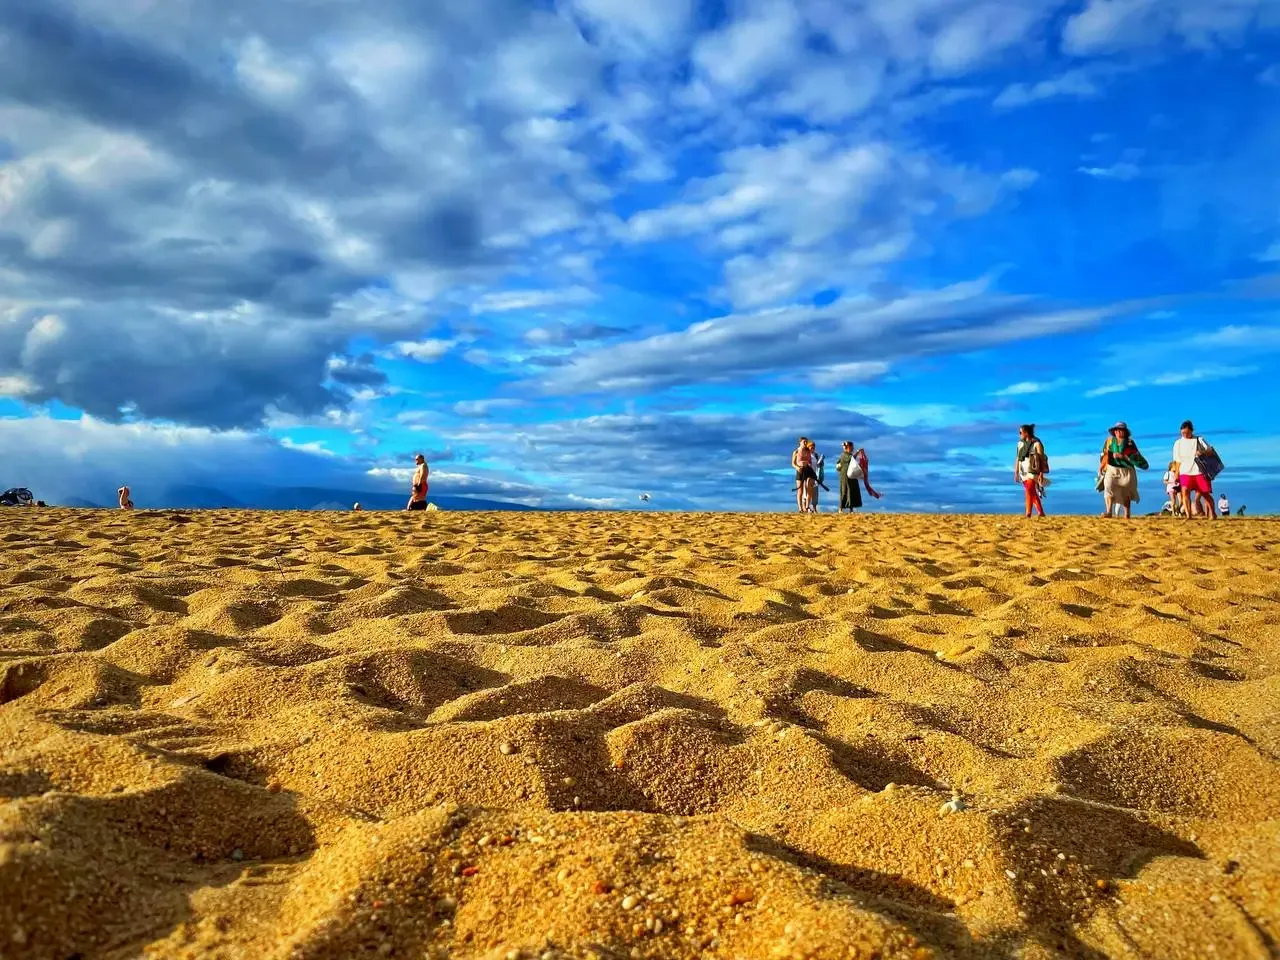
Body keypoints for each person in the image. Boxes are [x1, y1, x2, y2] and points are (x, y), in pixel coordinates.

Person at [1099, 421, 1148, 519]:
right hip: (1112, 468)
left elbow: (1136, 457)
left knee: (1126, 492)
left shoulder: (1130, 443)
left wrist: (1124, 456)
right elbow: (1104, 454)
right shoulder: (1109, 441)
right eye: (1117, 430)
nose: (1119, 432)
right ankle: (1109, 511)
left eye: (1121, 430)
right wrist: (1102, 466)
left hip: (1126, 470)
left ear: (1125, 432)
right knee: (1108, 486)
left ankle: (1127, 514)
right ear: (1114, 431)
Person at [1172, 420, 1216, 520]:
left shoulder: (1199, 439)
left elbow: (1210, 451)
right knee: (1185, 492)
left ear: (1191, 431)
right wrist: (1176, 474)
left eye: (1187, 432)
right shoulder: (1178, 443)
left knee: (1205, 493)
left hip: (1199, 471)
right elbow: (1177, 460)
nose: (1185, 435)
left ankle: (1213, 513)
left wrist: (1202, 452)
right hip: (1185, 471)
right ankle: (1188, 515)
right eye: (1183, 433)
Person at [1014, 424, 1047, 517]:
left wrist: (1041, 474)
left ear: (1026, 433)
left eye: (1020, 432)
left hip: (1033, 470)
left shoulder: (1037, 443)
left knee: (1029, 490)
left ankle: (1028, 513)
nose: (1019, 434)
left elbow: (1042, 459)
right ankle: (1041, 512)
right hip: (1023, 471)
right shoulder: (1020, 444)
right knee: (1031, 491)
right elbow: (1017, 458)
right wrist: (1016, 472)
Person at [792, 437, 817, 512]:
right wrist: (797, 467)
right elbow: (793, 463)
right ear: (800, 442)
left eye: (806, 442)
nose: (805, 443)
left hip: (808, 470)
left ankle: (806, 506)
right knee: (800, 490)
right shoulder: (796, 451)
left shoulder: (808, 451)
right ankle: (800, 508)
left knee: (809, 488)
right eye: (804, 442)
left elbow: (810, 461)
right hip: (800, 470)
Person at [835, 441, 860, 512]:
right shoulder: (843, 455)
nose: (853, 448)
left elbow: (851, 459)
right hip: (844, 476)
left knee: (851, 491)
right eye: (852, 447)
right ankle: (841, 508)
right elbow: (849, 459)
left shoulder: (849, 455)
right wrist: (857, 453)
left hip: (851, 475)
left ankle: (851, 508)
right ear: (849, 447)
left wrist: (857, 453)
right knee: (844, 491)